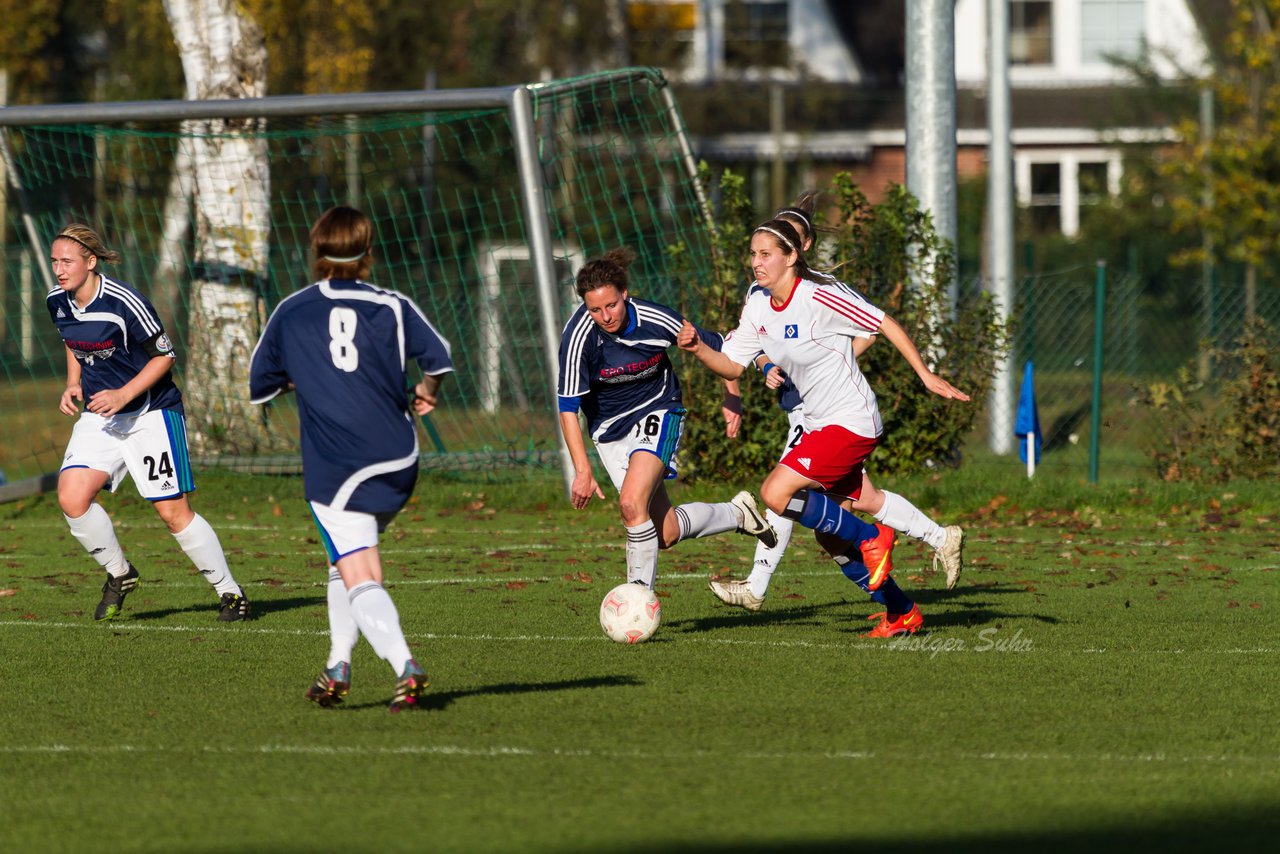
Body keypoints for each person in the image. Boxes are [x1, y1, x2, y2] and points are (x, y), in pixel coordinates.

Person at [678, 219, 970, 637]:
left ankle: (873, 539)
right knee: (832, 539)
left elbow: (881, 322)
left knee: (775, 493)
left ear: (792, 256)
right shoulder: (758, 302)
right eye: (753, 254)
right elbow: (733, 364)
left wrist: (924, 374)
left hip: (852, 419)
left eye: (765, 255)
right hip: (819, 423)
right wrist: (699, 348)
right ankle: (901, 610)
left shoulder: (819, 294)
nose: (755, 263)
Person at [249, 205, 452, 712]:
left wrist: (308, 376)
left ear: (316, 252)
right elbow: (440, 357)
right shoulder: (392, 304)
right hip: (399, 457)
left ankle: (405, 665)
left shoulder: (292, 310)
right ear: (369, 254)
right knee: (344, 559)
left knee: (359, 571)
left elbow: (260, 386)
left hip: (337, 466)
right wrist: (427, 392)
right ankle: (338, 664)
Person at [46, 224, 250, 623]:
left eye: (66, 260)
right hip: (100, 416)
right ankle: (121, 575)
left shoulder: (125, 301)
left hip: (150, 414)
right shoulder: (57, 301)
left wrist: (123, 395)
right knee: (71, 497)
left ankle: (231, 593)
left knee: (172, 512)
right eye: (55, 260)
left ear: (90, 262)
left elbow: (165, 356)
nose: (58, 269)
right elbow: (72, 341)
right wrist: (73, 383)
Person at [557, 248, 777, 593]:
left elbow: (721, 345)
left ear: (624, 294)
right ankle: (738, 514)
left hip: (659, 409)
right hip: (609, 430)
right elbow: (568, 407)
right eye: (594, 309)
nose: (605, 316)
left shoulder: (656, 319)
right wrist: (582, 471)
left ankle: (637, 600)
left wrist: (731, 394)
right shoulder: (578, 337)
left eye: (611, 305)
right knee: (666, 533)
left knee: (631, 503)